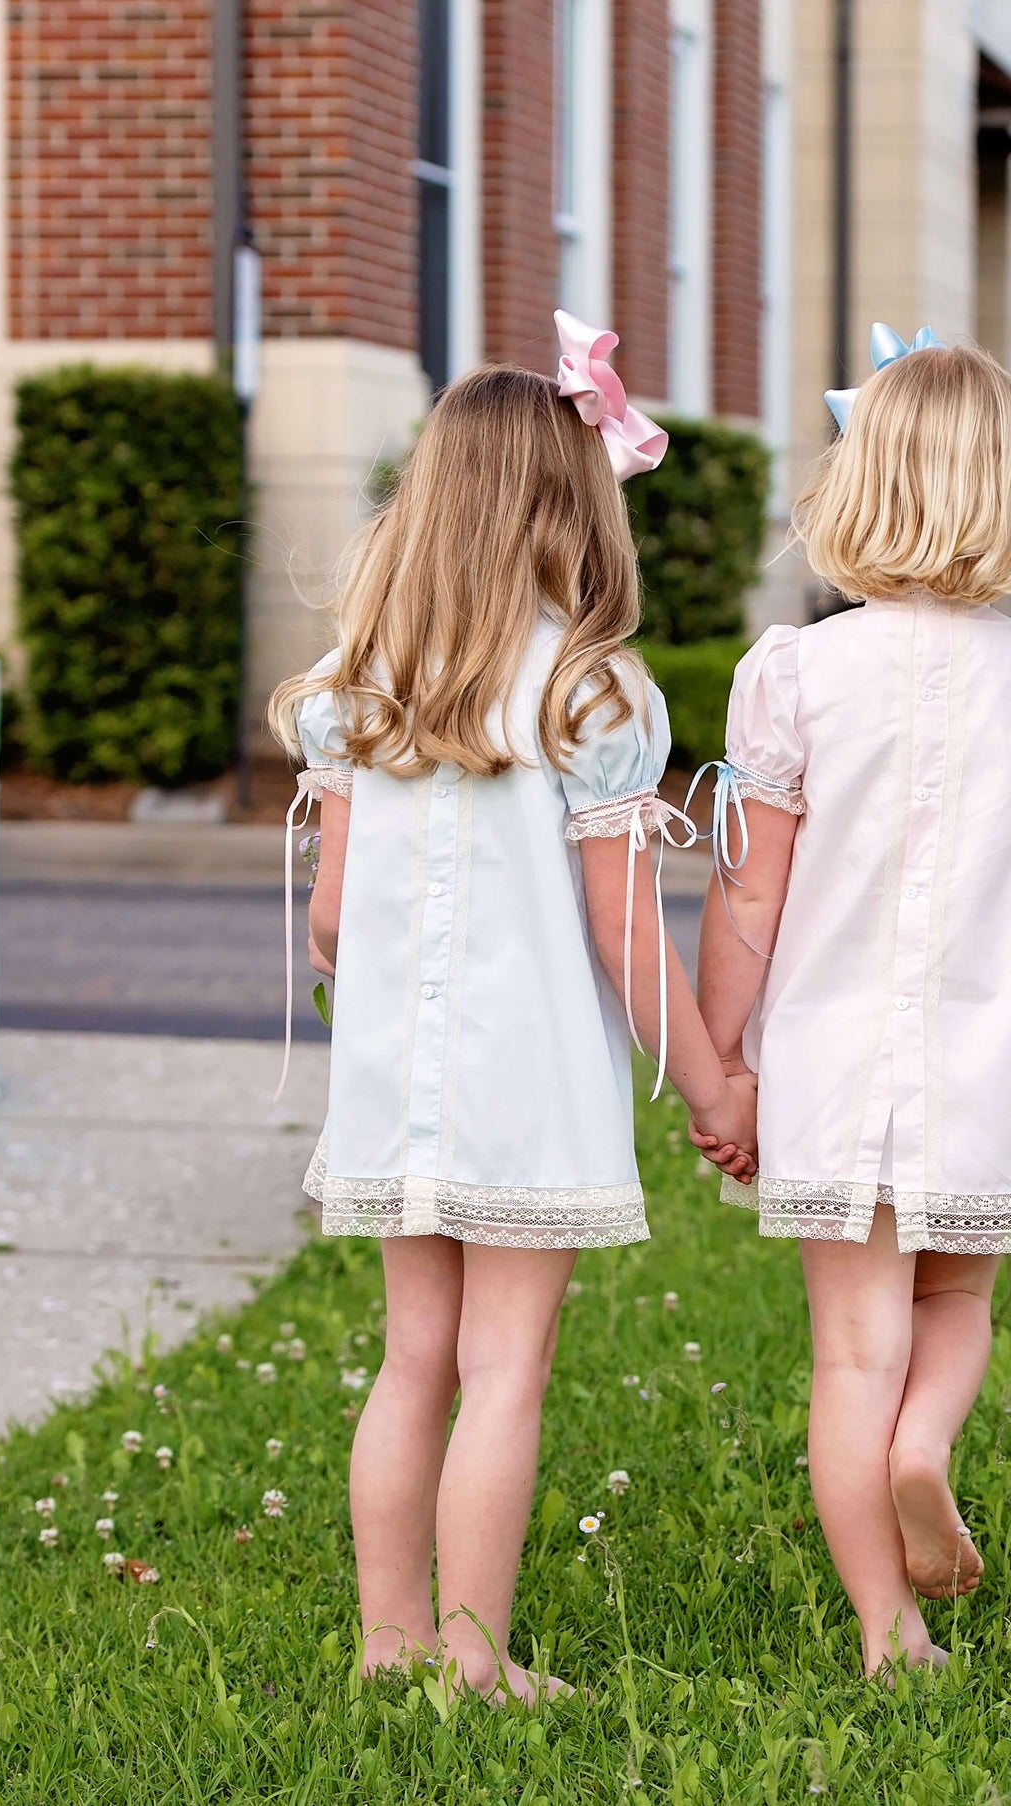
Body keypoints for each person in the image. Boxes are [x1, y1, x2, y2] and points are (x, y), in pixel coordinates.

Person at [270, 313, 756, 1704]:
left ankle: (387, 1639)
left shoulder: (364, 687)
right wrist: (714, 1083)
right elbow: (619, 927)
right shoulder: (590, 690)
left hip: (394, 1080)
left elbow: (330, 918)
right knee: (505, 1366)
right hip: (524, 1078)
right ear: (572, 504)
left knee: (409, 1353)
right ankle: (475, 1662)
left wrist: (362, 1001)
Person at [690, 326, 1011, 1680]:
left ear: (855, 487)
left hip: (831, 1066)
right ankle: (923, 1447)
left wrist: (720, 1056)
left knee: (850, 1348)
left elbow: (746, 898)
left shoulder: (790, 671)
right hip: (984, 1063)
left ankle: (886, 1630)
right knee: (955, 1295)